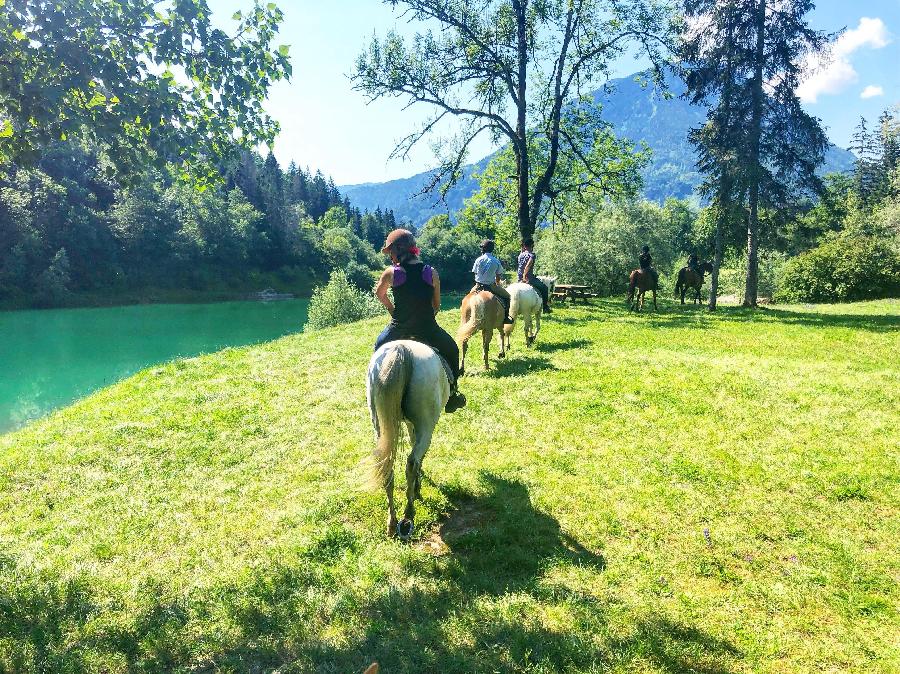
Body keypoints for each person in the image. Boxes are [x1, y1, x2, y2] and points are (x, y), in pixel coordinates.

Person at [373, 229, 466, 413]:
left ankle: (376, 393)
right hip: (427, 328)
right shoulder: (430, 272)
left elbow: (380, 294)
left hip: (398, 329)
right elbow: (437, 305)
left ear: (399, 250)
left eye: (391, 253)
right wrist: (424, 317)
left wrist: (392, 310)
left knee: (378, 348)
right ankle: (453, 394)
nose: (390, 257)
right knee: (452, 350)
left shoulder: (391, 273)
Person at [471, 239, 513, 324]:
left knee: (467, 297)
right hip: (491, 286)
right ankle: (506, 317)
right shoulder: (496, 261)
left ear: (483, 249)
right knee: (507, 297)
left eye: (482, 248)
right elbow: (498, 276)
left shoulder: (478, 260)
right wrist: (497, 284)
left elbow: (475, 272)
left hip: (478, 285)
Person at [517, 238, 551, 313]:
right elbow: (528, 265)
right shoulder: (532, 255)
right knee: (544, 288)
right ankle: (545, 307)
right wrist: (524, 276)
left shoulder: (520, 255)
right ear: (532, 245)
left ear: (524, 246)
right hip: (528, 278)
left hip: (519, 278)